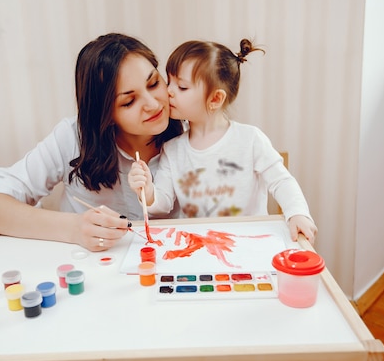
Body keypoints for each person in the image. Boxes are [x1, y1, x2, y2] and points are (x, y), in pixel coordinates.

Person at [0, 33, 183, 251]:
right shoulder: (73, 137)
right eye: (129, 101)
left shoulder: (195, 132)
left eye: (154, 83)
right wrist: (74, 228)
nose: (153, 104)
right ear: (104, 113)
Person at [128, 39, 318, 244]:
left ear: (215, 99)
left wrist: (297, 213)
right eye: (169, 82)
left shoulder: (250, 140)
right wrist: (147, 192)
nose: (169, 91)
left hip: (248, 244)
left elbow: (281, 181)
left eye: (181, 87)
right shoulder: (172, 149)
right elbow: (163, 205)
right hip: (197, 247)